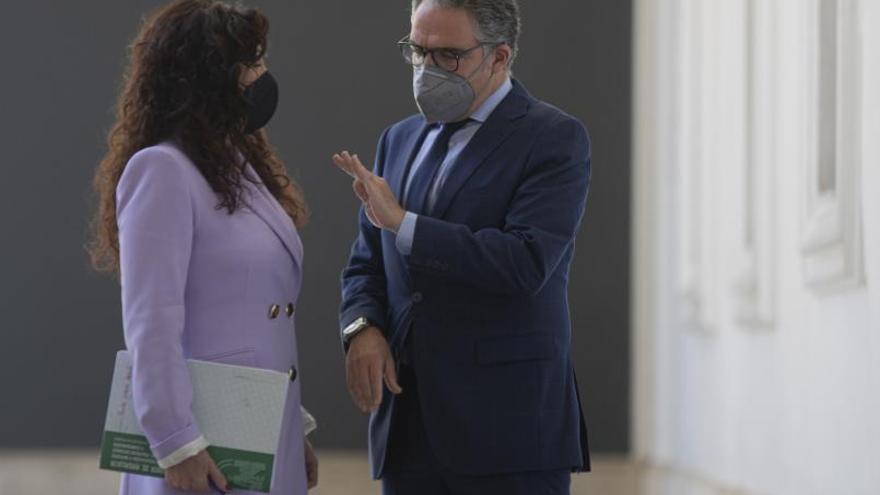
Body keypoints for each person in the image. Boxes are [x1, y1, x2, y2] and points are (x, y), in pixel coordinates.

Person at [333, 0, 592, 494]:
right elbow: (367, 261)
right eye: (417, 51)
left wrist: (405, 223)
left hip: (507, 428)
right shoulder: (399, 139)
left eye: (448, 56)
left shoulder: (554, 138)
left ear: (499, 57)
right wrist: (363, 328)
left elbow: (525, 262)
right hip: (408, 423)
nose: (428, 69)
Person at [88, 1, 318, 493]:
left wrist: (292, 427)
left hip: (256, 435)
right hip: (200, 448)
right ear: (212, 77)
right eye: (252, 63)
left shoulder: (235, 164)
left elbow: (256, 318)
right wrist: (176, 441)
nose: (263, 75)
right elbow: (151, 323)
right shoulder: (162, 169)